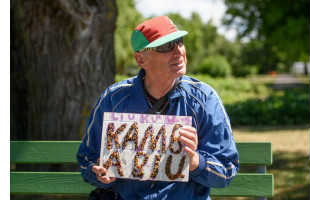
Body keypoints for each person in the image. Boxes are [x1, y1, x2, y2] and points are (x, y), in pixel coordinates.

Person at [77, 16, 239, 200]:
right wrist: (100, 175)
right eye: (165, 46)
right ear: (140, 59)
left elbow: (226, 170)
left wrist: (194, 161)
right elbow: (87, 159)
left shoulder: (204, 99)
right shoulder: (113, 99)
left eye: (179, 42)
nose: (178, 51)